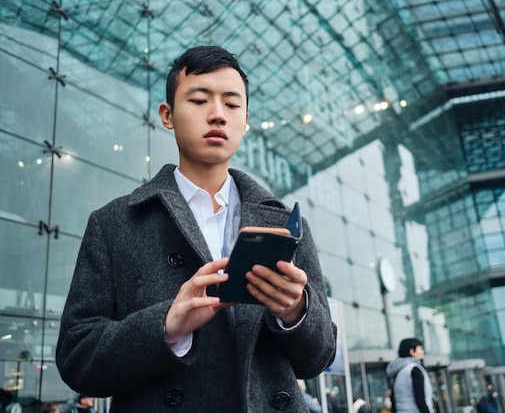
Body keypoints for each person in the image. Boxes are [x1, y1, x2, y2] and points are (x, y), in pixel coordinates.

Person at [55, 45, 337, 412]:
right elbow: (77, 356)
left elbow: (319, 358)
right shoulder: (114, 224)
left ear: (246, 121)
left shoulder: (284, 225)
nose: (218, 115)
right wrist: (167, 326)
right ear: (167, 115)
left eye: (232, 105)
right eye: (200, 100)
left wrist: (296, 311)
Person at [386, 338, 434, 413]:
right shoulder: (414, 369)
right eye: (420, 349)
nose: (422, 351)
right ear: (412, 352)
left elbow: (393, 400)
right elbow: (420, 400)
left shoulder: (398, 371)